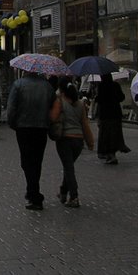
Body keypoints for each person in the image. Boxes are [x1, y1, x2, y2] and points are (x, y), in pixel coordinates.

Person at [7, 69, 56, 210]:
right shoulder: (46, 86)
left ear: (24, 70)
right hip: (41, 127)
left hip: (24, 128)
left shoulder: (18, 85)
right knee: (37, 160)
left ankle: (33, 194)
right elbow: (53, 105)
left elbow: (11, 108)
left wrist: (13, 124)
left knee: (26, 161)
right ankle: (33, 193)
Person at [50, 80, 95, 208]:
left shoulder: (59, 101)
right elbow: (85, 124)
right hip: (78, 140)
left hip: (65, 139)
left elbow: (53, 117)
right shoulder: (80, 104)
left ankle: (74, 196)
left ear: (62, 91)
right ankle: (63, 192)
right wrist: (90, 141)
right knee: (68, 166)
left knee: (68, 168)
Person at [95, 78, 129, 164]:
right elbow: (121, 97)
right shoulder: (115, 85)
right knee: (114, 133)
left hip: (105, 114)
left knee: (105, 134)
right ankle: (112, 154)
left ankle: (109, 154)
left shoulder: (101, 86)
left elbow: (99, 100)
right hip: (115, 113)